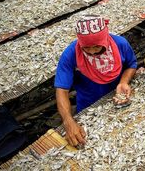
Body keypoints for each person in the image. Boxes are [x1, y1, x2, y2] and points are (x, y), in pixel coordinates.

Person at [54, 15, 137, 147]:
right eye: (86, 48)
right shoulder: (70, 55)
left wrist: (123, 82)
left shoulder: (120, 44)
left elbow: (131, 64)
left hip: (118, 100)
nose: (92, 52)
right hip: (88, 107)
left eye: (97, 47)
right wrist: (68, 121)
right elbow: (62, 90)